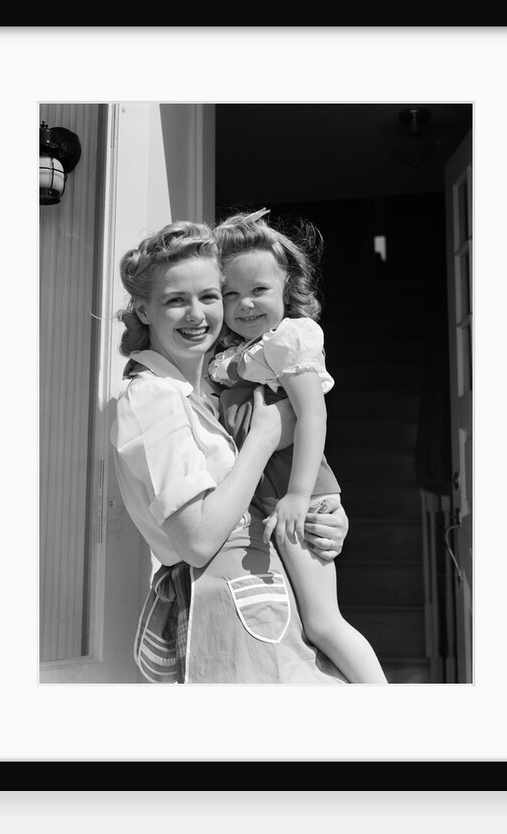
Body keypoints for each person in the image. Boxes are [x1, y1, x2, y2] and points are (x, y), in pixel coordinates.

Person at [109, 219, 352, 684]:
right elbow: (198, 541)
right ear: (142, 309)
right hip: (230, 610)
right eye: (175, 300)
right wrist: (262, 439)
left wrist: (323, 516)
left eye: (209, 296)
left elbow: (254, 491)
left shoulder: (205, 391)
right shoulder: (154, 397)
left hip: (264, 601)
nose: (197, 314)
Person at [208, 209, 388, 684]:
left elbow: (312, 414)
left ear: (286, 286)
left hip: (298, 497)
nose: (244, 303)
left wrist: (300, 495)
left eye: (259, 290)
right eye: (230, 294)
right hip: (268, 496)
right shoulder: (232, 352)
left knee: (322, 622)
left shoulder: (289, 339)